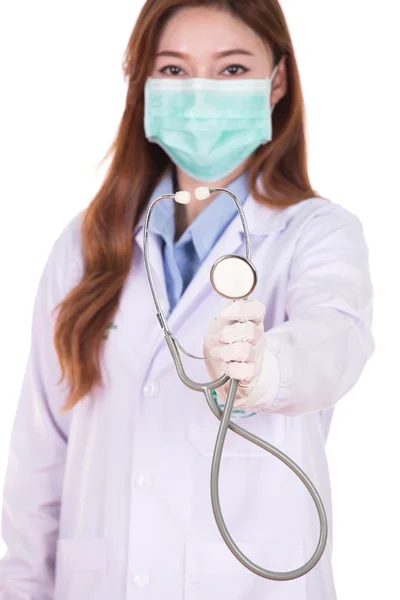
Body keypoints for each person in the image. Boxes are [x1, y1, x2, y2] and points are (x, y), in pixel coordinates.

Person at [0, 1, 374, 599]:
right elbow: (38, 465)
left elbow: (336, 337)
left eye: (230, 70)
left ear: (276, 81)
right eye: (174, 69)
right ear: (143, 82)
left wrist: (267, 366)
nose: (201, 94)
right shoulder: (86, 244)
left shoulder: (315, 232)